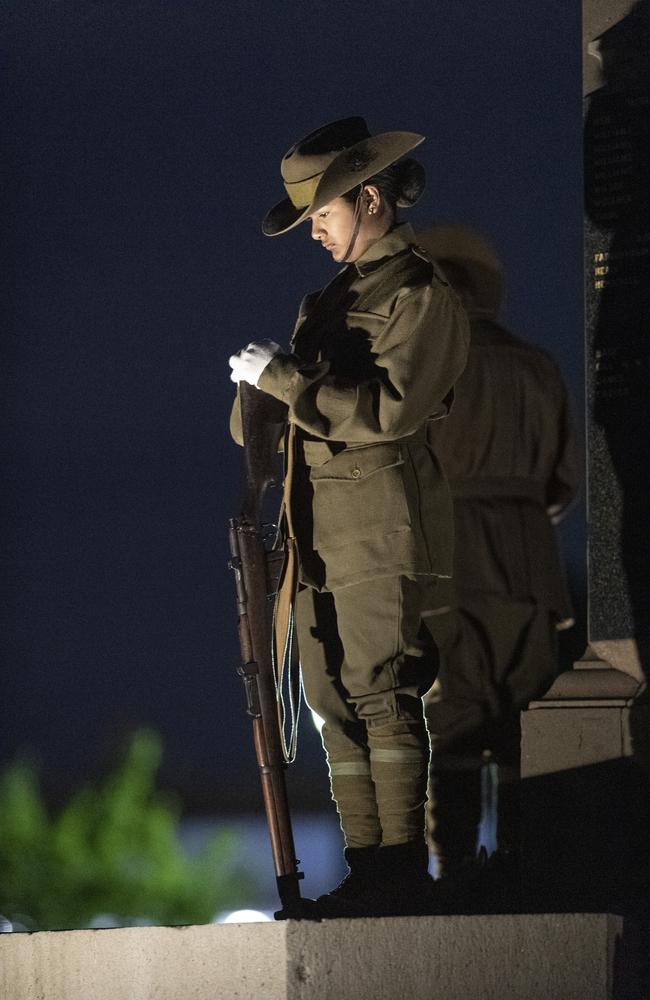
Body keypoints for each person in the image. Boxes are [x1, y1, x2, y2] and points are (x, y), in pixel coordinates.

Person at [229, 118, 469, 917]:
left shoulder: (420, 293)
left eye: (323, 217)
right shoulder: (329, 303)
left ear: (370, 199)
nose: (319, 236)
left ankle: (399, 871)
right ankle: (370, 872)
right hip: (312, 532)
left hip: (375, 527)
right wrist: (257, 392)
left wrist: (290, 382)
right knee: (332, 701)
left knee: (380, 691)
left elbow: (389, 412)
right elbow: (290, 419)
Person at [415, 225, 580, 892]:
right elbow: (564, 482)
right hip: (531, 564)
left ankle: (452, 866)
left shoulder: (424, 367)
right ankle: (521, 859)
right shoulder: (539, 366)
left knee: (451, 716)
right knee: (527, 718)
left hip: (448, 560)